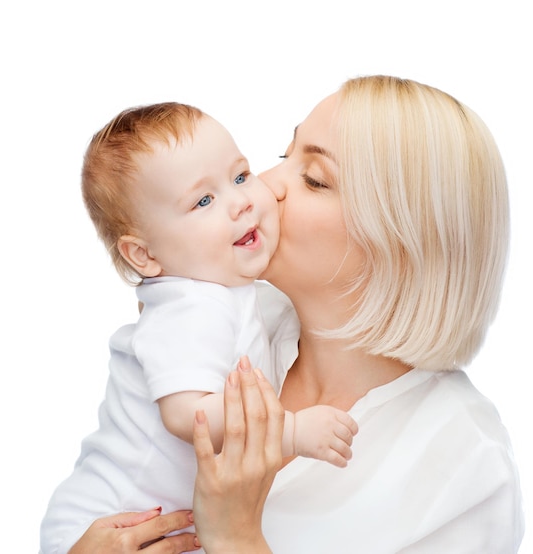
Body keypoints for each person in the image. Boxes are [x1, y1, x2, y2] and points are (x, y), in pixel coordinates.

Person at [69, 74, 525, 553]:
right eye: (285, 156)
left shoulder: (466, 466)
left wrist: (236, 536)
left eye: (314, 179)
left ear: (404, 245)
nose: (265, 187)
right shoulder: (229, 321)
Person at [39, 102, 359, 554]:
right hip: (107, 524)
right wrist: (292, 432)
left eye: (241, 176)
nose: (241, 201)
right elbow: (188, 415)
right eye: (203, 201)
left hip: (163, 525)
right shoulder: (192, 306)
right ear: (145, 256)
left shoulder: (236, 294)